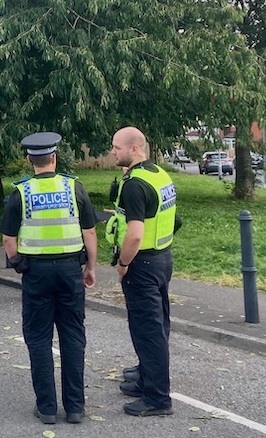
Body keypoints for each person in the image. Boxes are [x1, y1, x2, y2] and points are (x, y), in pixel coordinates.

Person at [0, 132, 98, 426]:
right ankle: (75, 408)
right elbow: (89, 231)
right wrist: (91, 267)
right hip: (70, 271)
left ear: (30, 159)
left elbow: (8, 239)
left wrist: (19, 264)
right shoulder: (74, 187)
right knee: (73, 337)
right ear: (54, 158)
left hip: (37, 274)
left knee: (39, 339)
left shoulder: (21, 192)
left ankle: (46, 409)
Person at [107, 126, 178, 417]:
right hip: (162, 259)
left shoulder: (135, 184)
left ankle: (157, 398)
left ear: (134, 149)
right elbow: (173, 219)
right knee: (157, 325)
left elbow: (135, 235)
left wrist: (123, 264)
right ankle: (145, 379)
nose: (112, 151)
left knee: (148, 331)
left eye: (117, 147)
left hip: (142, 264)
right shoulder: (159, 174)